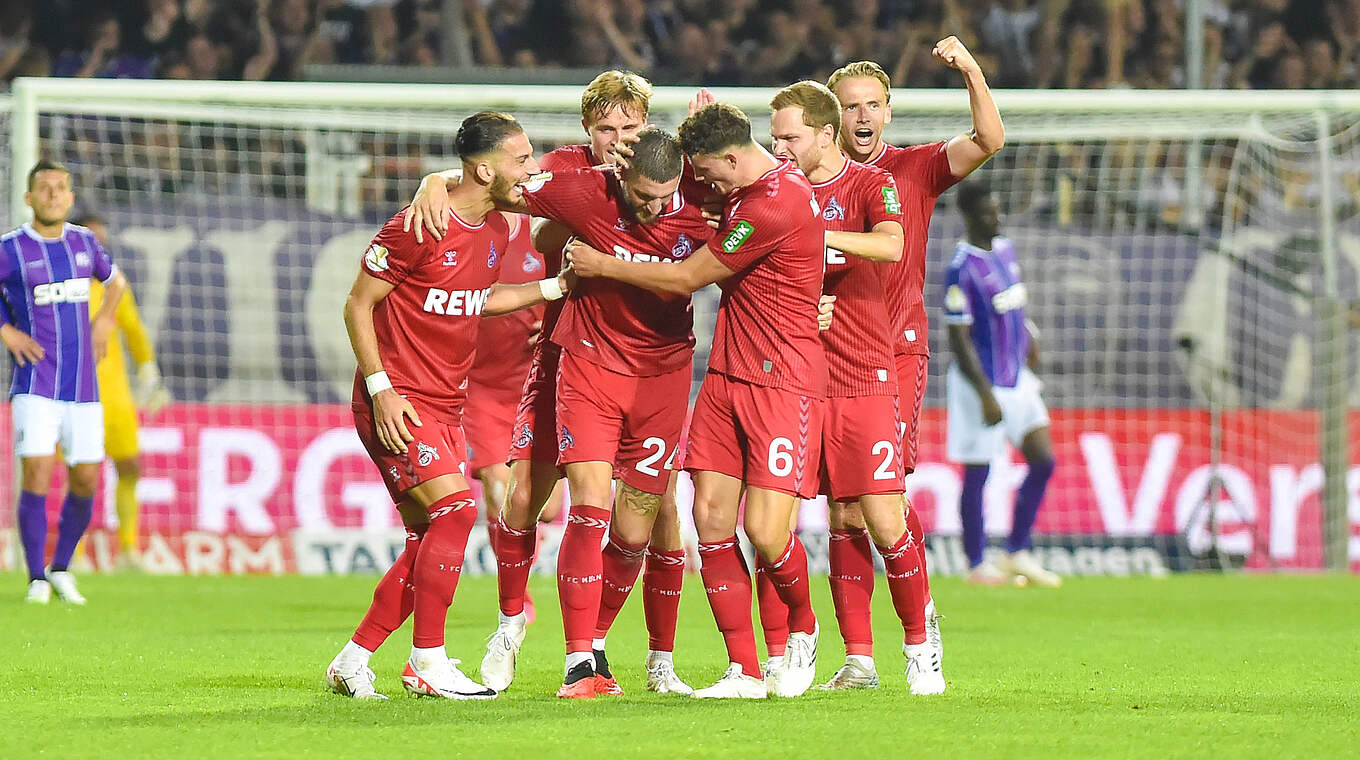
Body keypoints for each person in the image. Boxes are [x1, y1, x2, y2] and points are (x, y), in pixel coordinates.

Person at [407, 71, 693, 699]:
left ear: (647, 126)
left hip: (656, 369)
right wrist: (436, 180)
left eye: (630, 127)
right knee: (526, 499)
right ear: (587, 130)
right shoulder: (566, 171)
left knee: (658, 513)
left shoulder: (668, 174)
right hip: (571, 355)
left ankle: (631, 653)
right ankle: (513, 623)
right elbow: (499, 193)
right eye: (606, 128)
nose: (618, 139)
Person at [567, 103, 827, 699]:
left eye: (706, 171)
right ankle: (744, 670)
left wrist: (602, 264)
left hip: (781, 381)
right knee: (710, 521)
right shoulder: (743, 186)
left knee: (765, 532)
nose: (700, 181)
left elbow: (687, 277)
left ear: (732, 159)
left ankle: (804, 626)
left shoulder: (773, 203)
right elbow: (671, 175)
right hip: (726, 374)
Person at [324, 112, 572, 701]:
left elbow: (475, 298)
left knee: (426, 540)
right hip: (398, 401)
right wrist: (381, 388)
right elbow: (357, 305)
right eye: (520, 159)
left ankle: (353, 660)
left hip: (445, 403)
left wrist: (554, 288)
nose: (530, 170)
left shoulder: (498, 228)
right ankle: (426, 662)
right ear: (485, 169)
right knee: (457, 512)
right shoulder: (417, 225)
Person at [827, 39, 1004, 672]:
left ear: (889, 112)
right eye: (850, 106)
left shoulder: (915, 168)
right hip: (826, 358)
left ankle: (919, 626)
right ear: (833, 116)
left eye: (873, 105)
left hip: (894, 356)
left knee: (883, 502)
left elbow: (988, 139)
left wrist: (971, 70)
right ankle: (858, 659)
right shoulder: (809, 180)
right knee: (841, 507)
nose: (863, 116)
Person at [765, 80, 943, 695]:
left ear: (824, 134)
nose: (779, 148)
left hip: (865, 373)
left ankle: (920, 646)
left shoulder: (872, 183)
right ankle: (856, 659)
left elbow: (891, 244)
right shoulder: (776, 191)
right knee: (813, 519)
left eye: (789, 138)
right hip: (798, 375)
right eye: (774, 139)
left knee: (884, 516)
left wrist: (817, 235)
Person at [1, 160, 128, 604]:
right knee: (37, 473)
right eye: (44, 188)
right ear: (29, 198)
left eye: (60, 188)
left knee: (86, 480)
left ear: (71, 198)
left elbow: (116, 282)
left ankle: (61, 568)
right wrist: (6, 330)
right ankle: (36, 577)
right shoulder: (11, 248)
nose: (53, 195)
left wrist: (105, 321)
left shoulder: (84, 242)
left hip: (83, 389)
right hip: (35, 384)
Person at [943, 182, 1060, 588]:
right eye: (989, 212)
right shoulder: (961, 268)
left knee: (1044, 460)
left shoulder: (1005, 249)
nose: (998, 218)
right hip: (982, 385)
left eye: (998, 210)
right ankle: (977, 563)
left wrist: (1029, 335)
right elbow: (958, 337)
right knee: (978, 473)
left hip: (1018, 379)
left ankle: (1016, 552)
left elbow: (1013, 305)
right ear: (970, 217)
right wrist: (985, 394)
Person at [74, 213, 169, 570]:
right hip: (76, 395)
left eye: (101, 241)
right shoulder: (60, 287)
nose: (97, 248)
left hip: (115, 397)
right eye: (91, 240)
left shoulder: (114, 286)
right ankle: (75, 555)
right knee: (81, 475)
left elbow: (134, 331)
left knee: (130, 467)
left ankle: (128, 551)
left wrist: (148, 372)